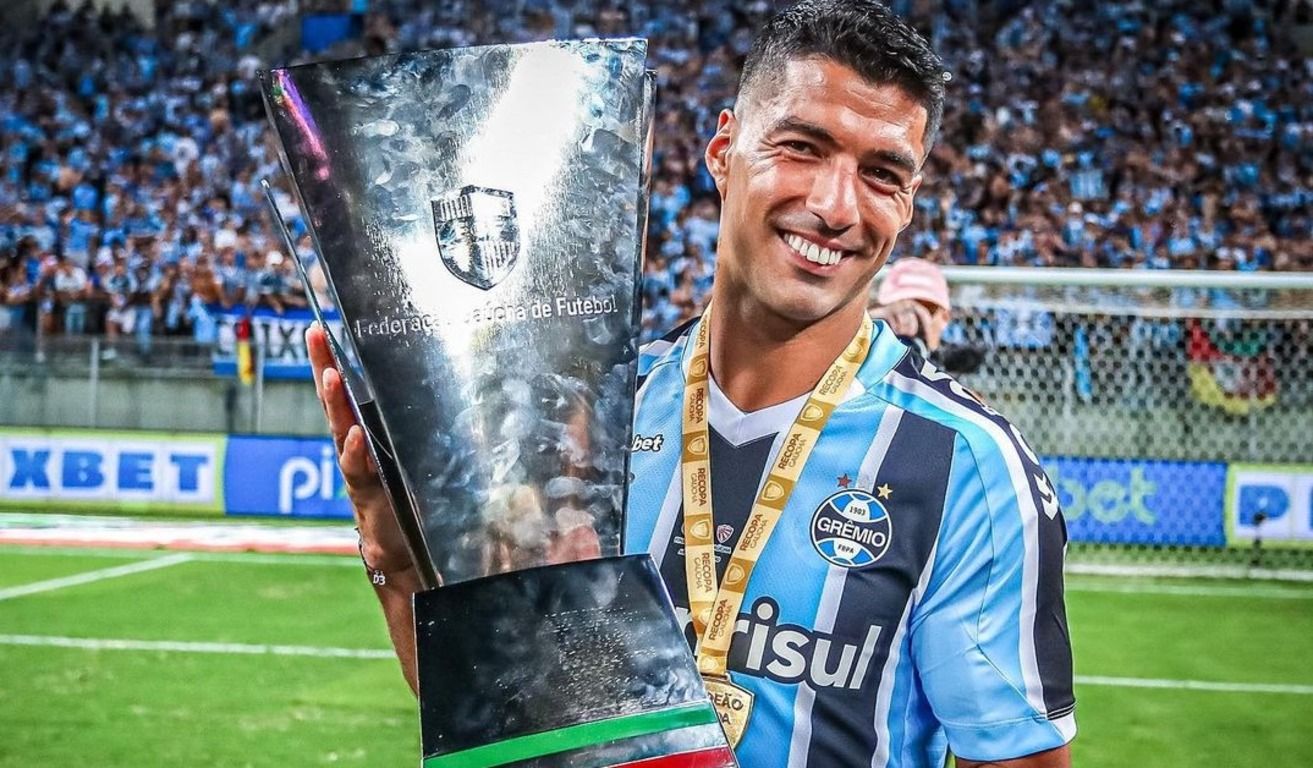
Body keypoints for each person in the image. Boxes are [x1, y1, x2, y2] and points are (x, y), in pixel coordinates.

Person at [305, 2, 1076, 765]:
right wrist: (396, 560)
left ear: (906, 202)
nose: (834, 205)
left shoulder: (965, 466)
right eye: (801, 147)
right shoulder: (589, 414)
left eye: (880, 174)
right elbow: (518, 721)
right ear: (723, 149)